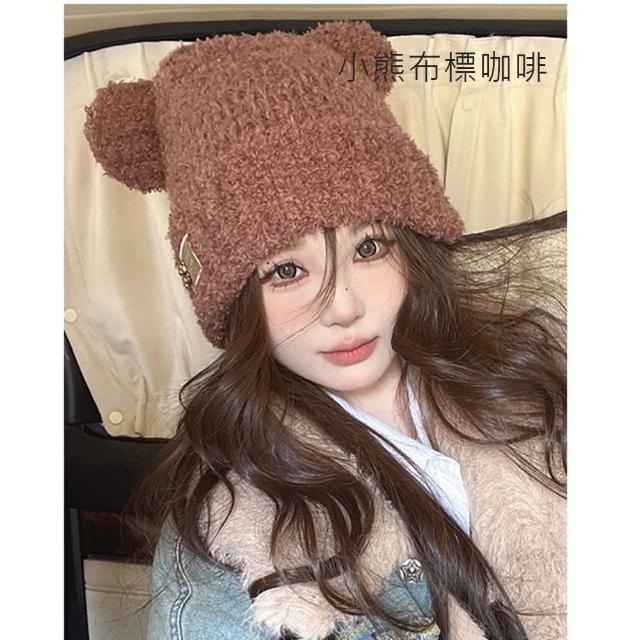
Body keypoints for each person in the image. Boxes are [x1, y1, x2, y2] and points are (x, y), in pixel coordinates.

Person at [83, 20, 566, 640]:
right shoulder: (235, 532)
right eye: (286, 270)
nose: (341, 307)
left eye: (369, 248)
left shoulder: (534, 378)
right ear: (234, 301)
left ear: (415, 248)